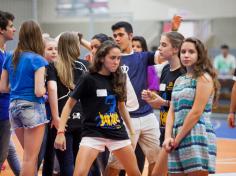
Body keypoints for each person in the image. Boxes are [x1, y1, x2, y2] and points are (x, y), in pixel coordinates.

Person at [54, 40, 140, 176]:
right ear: (101, 58)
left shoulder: (119, 77)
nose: (116, 62)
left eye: (118, 58)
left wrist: (132, 131)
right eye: (112, 58)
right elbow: (69, 105)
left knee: (135, 172)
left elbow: (122, 107)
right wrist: (60, 132)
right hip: (93, 133)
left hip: (117, 132)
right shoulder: (88, 78)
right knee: (79, 173)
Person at [105, 21, 160, 176]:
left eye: (120, 35)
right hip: (125, 118)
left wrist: (174, 29)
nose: (117, 38)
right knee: (115, 164)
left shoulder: (142, 57)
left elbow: (164, 54)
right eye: (114, 35)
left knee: (157, 158)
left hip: (148, 116)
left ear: (130, 36)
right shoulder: (111, 59)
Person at [163, 37, 219, 175]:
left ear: (199, 55)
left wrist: (177, 139)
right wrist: (168, 137)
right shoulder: (179, 80)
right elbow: (172, 111)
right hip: (177, 136)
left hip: (197, 135)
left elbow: (196, 112)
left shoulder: (203, 78)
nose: (186, 55)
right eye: (183, 52)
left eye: (191, 52)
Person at [0, 20, 48, 176]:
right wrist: (47, 94)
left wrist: (18, 87)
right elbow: (39, 91)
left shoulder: (10, 57)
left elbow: (2, 87)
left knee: (29, 157)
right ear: (37, 37)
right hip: (32, 107)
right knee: (30, 158)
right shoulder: (38, 60)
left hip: (13, 108)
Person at [47, 32, 90, 176]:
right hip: (83, 120)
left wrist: (55, 117)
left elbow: (52, 89)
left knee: (66, 165)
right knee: (83, 165)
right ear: (76, 46)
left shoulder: (52, 66)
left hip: (63, 121)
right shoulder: (85, 65)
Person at [142, 31, 185, 176]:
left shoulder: (184, 72)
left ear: (175, 49)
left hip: (179, 131)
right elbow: (160, 102)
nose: (159, 48)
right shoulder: (166, 69)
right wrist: (152, 98)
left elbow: (187, 104)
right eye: (160, 44)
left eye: (163, 45)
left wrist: (164, 102)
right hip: (164, 129)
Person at [0, 10, 16, 170]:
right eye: (11, 26)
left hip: (5, 111)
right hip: (2, 113)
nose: (14, 29)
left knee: (8, 152)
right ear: (1, 29)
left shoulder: (5, 53)